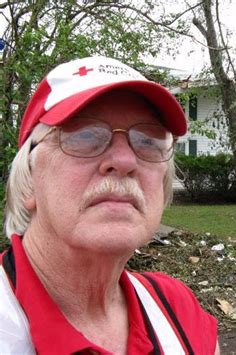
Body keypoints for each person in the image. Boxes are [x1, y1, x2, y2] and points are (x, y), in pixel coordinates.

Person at [0, 56, 218, 354]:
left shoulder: (179, 314)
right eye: (85, 135)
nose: (125, 161)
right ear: (29, 179)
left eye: (147, 142)